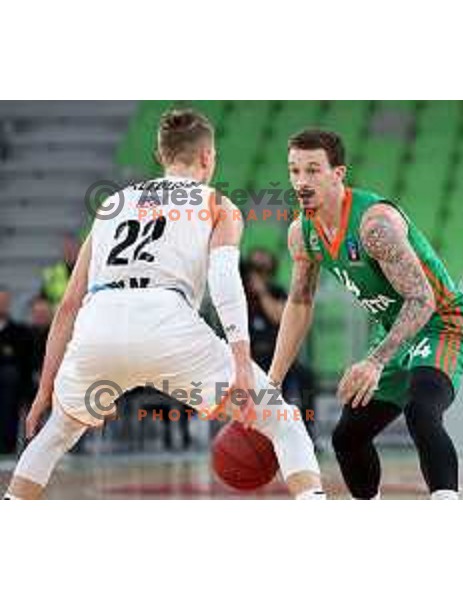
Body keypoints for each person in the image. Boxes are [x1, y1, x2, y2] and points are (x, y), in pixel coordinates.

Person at [3, 109, 324, 500]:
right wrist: (240, 362)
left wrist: (45, 390)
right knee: (284, 421)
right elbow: (224, 281)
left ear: (161, 154)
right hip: (166, 323)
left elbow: (69, 305)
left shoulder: (111, 206)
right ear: (208, 157)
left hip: (99, 323)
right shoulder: (217, 203)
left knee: (57, 432)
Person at [268, 129, 463, 500]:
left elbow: (421, 300)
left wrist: (375, 361)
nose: (301, 182)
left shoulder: (374, 226)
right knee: (347, 437)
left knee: (421, 410)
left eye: (313, 170)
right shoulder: (302, 235)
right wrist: (271, 383)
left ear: (338, 174)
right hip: (393, 330)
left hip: (443, 322)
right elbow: (300, 303)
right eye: (294, 171)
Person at [243, 248, 317, 440]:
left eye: (263, 272)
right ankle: (252, 436)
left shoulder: (275, 291)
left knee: (306, 378)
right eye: (255, 271)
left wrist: (263, 293)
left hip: (277, 357)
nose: (259, 276)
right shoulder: (240, 295)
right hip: (249, 359)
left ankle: (308, 432)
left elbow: (280, 318)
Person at [0, 287, 33, 455]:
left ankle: (7, 445)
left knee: (9, 377)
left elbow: (25, 364)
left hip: (12, 387)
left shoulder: (20, 333)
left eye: (4, 301)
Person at [40, 234, 80, 308]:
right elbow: (43, 298)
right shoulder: (52, 273)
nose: (69, 251)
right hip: (59, 314)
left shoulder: (89, 271)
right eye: (67, 248)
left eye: (72, 247)